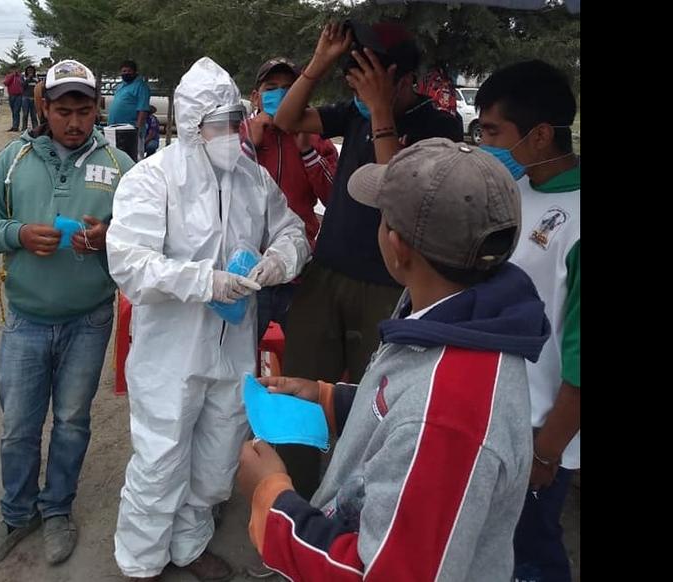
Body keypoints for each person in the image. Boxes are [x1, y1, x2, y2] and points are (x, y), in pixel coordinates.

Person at [237, 138, 550, 582]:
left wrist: (271, 498)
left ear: (397, 246)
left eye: (381, 217)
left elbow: (380, 572)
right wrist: (333, 399)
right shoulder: (456, 312)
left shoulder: (445, 418)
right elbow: (409, 403)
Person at [106, 56, 310, 581]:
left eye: (234, 122)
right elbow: (130, 264)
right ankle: (142, 562)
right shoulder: (154, 179)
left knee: (220, 456)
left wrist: (277, 261)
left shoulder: (251, 179)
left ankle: (189, 544)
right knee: (160, 461)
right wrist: (205, 280)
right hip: (171, 353)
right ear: (193, 124)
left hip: (233, 347)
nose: (230, 134)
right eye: (218, 124)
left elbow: (293, 231)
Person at [271, 20, 463, 500]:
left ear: (402, 80)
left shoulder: (439, 125)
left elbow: (394, 190)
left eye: (368, 81)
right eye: (352, 81)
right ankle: (291, 503)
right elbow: (286, 120)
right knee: (299, 388)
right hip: (328, 273)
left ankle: (357, 511)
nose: (356, 92)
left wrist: (381, 112)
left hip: (389, 286)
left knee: (376, 404)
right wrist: (318, 64)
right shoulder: (352, 114)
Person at [0, 59, 135, 574]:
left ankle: (56, 508)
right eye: (64, 110)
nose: (75, 121)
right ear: (44, 107)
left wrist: (110, 237)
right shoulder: (13, 159)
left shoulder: (120, 163)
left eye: (84, 110)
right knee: (18, 426)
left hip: (89, 319)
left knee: (71, 422)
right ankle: (17, 515)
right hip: (26, 318)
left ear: (97, 108)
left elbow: (145, 235)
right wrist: (16, 234)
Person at [476, 59, 580, 582]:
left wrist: (547, 452)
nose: (484, 142)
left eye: (493, 131)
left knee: (532, 554)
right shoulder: (514, 192)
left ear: (540, 135)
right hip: (496, 411)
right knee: (493, 548)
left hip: (541, 431)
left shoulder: (578, 219)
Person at [244, 57, 338, 341]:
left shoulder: (316, 139)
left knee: (303, 362)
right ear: (256, 96)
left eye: (290, 88)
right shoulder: (239, 136)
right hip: (248, 270)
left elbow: (335, 197)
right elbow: (221, 191)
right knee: (240, 361)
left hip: (300, 272)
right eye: (272, 87)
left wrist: (308, 152)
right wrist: (250, 147)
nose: (281, 94)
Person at [108, 59, 151, 140]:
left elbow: (143, 110)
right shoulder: (120, 86)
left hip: (130, 130)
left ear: (135, 72)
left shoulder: (141, 87)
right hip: (113, 128)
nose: (126, 73)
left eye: (129, 71)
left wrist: (137, 130)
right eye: (124, 71)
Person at [3, 65, 24, 132]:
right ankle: (14, 126)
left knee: (16, 111)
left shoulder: (20, 76)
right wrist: (12, 75)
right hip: (11, 96)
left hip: (19, 96)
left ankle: (16, 127)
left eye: (16, 69)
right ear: (11, 70)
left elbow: (23, 84)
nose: (15, 71)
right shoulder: (8, 76)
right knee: (13, 112)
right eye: (13, 70)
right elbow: (6, 83)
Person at [21, 65, 39, 131]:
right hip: (26, 98)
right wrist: (28, 79)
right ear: (26, 71)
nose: (30, 71)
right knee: (25, 114)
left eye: (31, 70)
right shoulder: (24, 77)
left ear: (34, 71)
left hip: (34, 98)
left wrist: (35, 80)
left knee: (34, 115)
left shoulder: (36, 78)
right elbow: (22, 86)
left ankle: (36, 129)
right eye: (29, 70)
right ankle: (24, 129)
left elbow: (38, 86)